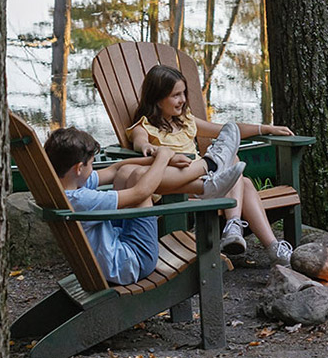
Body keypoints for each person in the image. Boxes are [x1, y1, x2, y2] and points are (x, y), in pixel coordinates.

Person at [126, 63, 296, 266]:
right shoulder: (144, 127)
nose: (182, 100)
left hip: (207, 180)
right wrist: (150, 148)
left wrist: (266, 128)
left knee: (239, 172)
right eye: (176, 95)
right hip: (176, 189)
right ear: (157, 98)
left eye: (183, 93)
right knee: (235, 167)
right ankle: (245, 233)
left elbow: (226, 130)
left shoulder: (185, 121)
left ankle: (261, 241)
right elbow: (140, 142)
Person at [47, 126, 174, 286]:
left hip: (106, 260)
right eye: (92, 164)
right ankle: (202, 170)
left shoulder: (61, 190)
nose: (92, 169)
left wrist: (155, 159)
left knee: (125, 173)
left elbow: (115, 170)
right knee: (139, 181)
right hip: (134, 263)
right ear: (78, 168)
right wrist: (164, 158)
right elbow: (141, 192)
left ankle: (199, 172)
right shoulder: (82, 200)